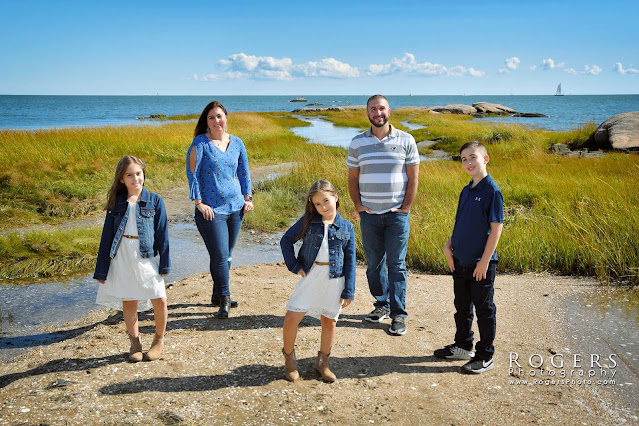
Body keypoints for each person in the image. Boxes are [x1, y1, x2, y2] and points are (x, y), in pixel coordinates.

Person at [347, 94, 420, 336]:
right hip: (369, 216)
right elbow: (353, 179)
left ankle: (398, 315)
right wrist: (359, 206)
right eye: (373, 109)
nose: (378, 113)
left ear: (389, 111)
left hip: (396, 215)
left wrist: (406, 207)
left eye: (382, 108)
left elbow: (413, 177)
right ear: (367, 113)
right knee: (373, 266)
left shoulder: (406, 140)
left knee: (396, 265)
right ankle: (382, 304)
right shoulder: (357, 143)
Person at [435, 141, 504, 374]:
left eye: (472, 157)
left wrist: (485, 261)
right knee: (461, 307)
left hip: (480, 264)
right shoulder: (466, 190)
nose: (468, 163)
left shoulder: (492, 191)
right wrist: (448, 246)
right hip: (460, 259)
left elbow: (496, 229)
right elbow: (460, 222)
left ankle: (485, 355)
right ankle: (464, 346)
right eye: (464, 159)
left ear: (485, 159)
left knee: (484, 309)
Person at [94, 155, 170, 362]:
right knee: (129, 301)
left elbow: (162, 234)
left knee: (159, 298)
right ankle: (135, 342)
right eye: (129, 175)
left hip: (146, 255)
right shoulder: (116, 203)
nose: (135, 178)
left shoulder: (155, 200)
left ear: (143, 174)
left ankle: (158, 340)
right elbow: (106, 237)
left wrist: (165, 263)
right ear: (121, 178)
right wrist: (101, 270)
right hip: (123, 255)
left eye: (138, 173)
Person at [279, 179, 356, 383]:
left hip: (334, 280)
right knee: (291, 318)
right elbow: (286, 240)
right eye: (317, 204)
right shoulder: (308, 222)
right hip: (311, 276)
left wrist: (349, 291)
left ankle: (323, 363)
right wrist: (295, 266)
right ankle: (289, 361)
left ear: (335, 197)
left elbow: (350, 261)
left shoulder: (346, 227)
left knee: (329, 322)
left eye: (326, 201)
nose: (323, 207)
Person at [186, 101, 253, 318]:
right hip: (211, 211)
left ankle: (216, 293)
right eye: (211, 117)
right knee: (221, 255)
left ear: (226, 117)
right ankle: (224, 298)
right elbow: (192, 174)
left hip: (236, 208)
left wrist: (248, 198)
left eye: (219, 116)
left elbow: (244, 172)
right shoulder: (200, 143)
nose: (216, 121)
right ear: (206, 122)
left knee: (225, 255)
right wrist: (199, 203)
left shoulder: (237, 143)